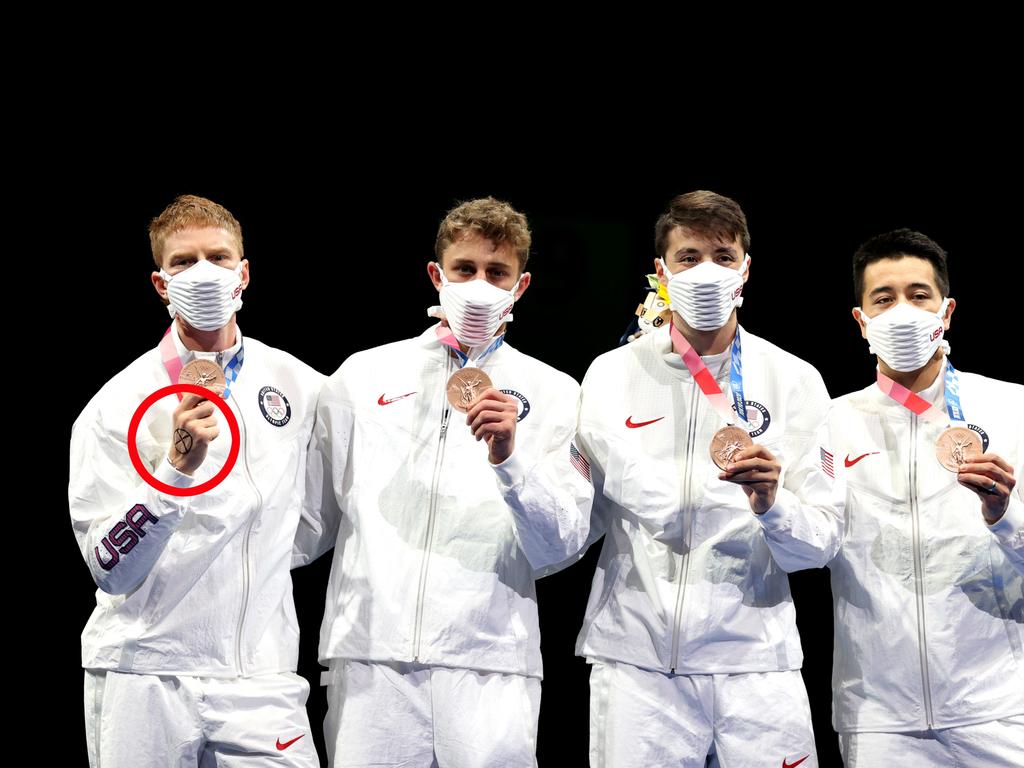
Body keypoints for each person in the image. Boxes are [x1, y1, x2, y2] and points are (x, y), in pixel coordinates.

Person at [296, 196, 594, 767]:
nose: (480, 285)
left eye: (496, 272)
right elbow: (311, 521)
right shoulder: (362, 376)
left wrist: (509, 460)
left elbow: (561, 545)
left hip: (491, 664)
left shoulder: (557, 393)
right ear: (437, 275)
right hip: (370, 659)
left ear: (520, 286)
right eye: (465, 270)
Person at [574, 190, 838, 767]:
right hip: (637, 665)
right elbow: (595, 520)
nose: (707, 271)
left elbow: (820, 544)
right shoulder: (611, 374)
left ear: (746, 269)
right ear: (660, 273)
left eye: (723, 255)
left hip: (758, 667)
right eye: (689, 257)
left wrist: (773, 505)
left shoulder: (795, 380)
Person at [69, 194, 323, 767]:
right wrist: (175, 470)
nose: (204, 272)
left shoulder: (301, 385)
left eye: (219, 256)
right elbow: (109, 568)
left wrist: (273, 550)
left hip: (261, 672)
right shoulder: (114, 406)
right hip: (145, 670)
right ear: (161, 284)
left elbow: (322, 514)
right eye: (184, 262)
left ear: (244, 272)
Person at [756, 228, 1024, 766]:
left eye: (918, 295)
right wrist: (771, 505)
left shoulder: (1012, 407)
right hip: (879, 718)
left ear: (946, 312)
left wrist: (1004, 516)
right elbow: (809, 551)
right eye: (884, 298)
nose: (903, 310)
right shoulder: (830, 421)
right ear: (861, 320)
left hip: (1000, 707)